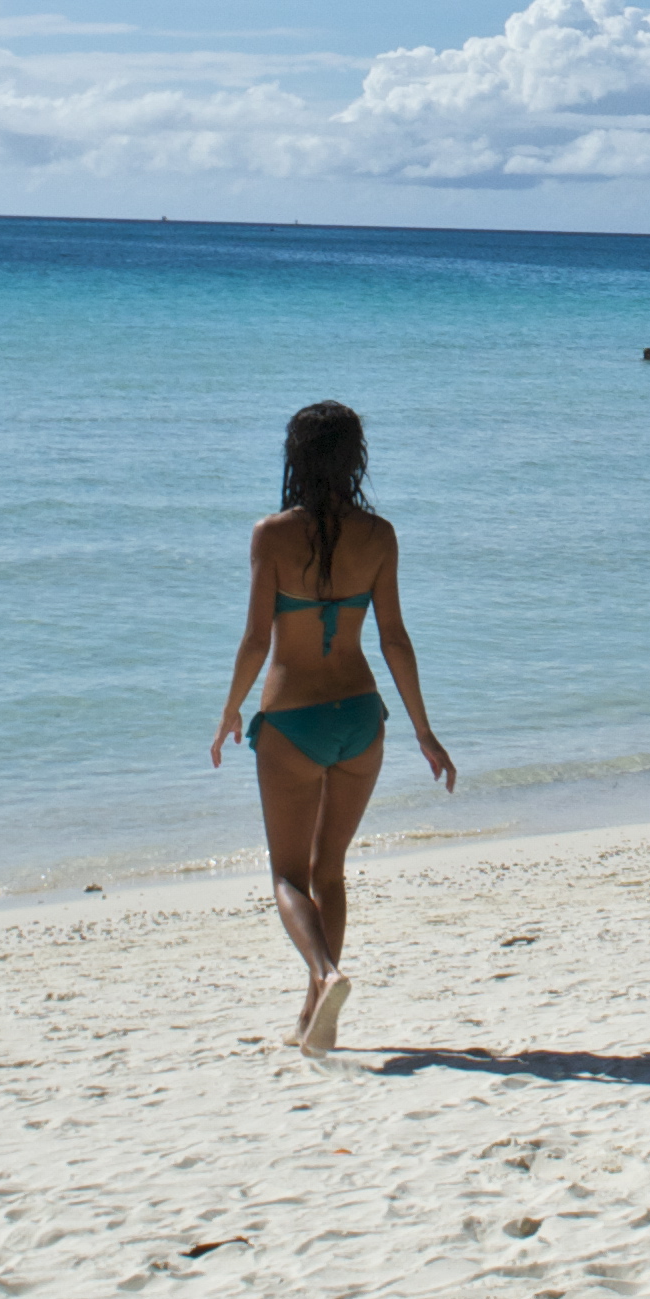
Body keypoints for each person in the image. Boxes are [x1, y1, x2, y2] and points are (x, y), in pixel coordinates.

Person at [212, 399, 452, 1050]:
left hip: (292, 723)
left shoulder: (271, 535)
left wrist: (231, 709)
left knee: (289, 877)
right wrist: (424, 731)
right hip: (361, 720)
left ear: (295, 457)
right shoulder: (379, 536)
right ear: (355, 460)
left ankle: (325, 971)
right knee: (331, 872)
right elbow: (396, 640)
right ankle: (315, 1020)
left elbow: (257, 640)